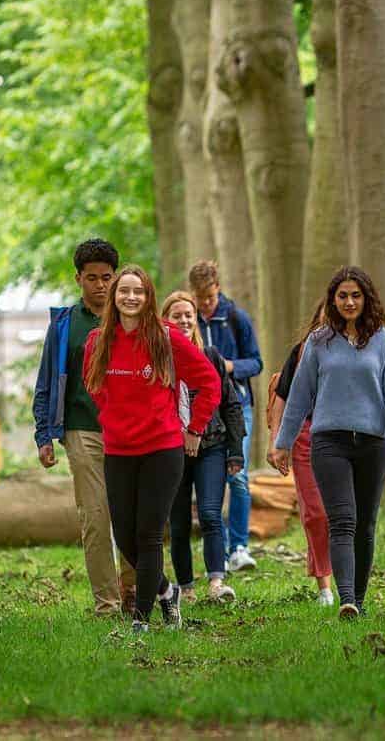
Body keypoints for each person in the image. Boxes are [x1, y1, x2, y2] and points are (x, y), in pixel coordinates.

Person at [270, 267, 385, 619]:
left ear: (367, 300)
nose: (349, 302)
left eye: (356, 296)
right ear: (333, 300)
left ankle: (359, 600)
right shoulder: (319, 342)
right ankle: (346, 599)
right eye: (343, 296)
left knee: (365, 523)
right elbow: (299, 397)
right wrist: (282, 443)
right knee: (343, 519)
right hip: (328, 442)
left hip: (372, 444)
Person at [85, 266, 220, 633]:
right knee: (126, 538)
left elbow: (209, 382)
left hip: (162, 449)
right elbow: (94, 386)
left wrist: (193, 428)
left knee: (147, 535)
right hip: (118, 450)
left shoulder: (165, 337)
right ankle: (167, 591)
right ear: (114, 297)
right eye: (123, 291)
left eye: (138, 292)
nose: (131, 298)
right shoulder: (98, 341)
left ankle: (141, 622)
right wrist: (114, 417)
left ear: (148, 298)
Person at [32, 238, 136, 617]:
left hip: (130, 432)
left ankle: (134, 593)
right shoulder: (63, 325)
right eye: (91, 277)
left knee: (132, 515)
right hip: (82, 431)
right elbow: (46, 382)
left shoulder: (131, 318)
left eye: (107, 277)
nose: (100, 285)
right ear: (78, 279)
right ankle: (106, 604)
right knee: (95, 518)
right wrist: (44, 435)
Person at [161, 291, 245, 604]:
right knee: (178, 520)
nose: (183, 320)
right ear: (164, 322)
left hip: (212, 445)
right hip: (172, 451)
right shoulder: (158, 360)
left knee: (210, 513)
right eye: (176, 316)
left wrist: (236, 450)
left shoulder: (209, 356)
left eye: (188, 315)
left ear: (195, 321)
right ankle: (186, 587)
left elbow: (231, 405)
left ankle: (217, 581)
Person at [188, 259, 263, 572]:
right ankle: (214, 549)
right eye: (200, 298)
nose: (206, 304)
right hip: (201, 411)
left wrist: (229, 367)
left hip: (236, 407)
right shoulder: (188, 320)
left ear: (218, 289)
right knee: (208, 481)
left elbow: (256, 362)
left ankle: (239, 546)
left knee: (238, 475)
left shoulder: (235, 318)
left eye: (210, 297)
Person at [266, 301, 335, 607]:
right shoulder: (300, 351)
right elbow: (281, 396)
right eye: (321, 321)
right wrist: (277, 442)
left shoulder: (355, 350)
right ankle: (325, 586)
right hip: (306, 436)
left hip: (343, 437)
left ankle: (348, 578)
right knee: (315, 512)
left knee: (342, 513)